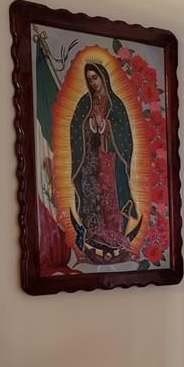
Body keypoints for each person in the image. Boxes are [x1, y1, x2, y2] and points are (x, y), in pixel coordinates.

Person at [69, 61, 139, 260]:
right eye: (89, 79)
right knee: (94, 197)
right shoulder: (85, 103)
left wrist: (107, 125)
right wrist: (89, 124)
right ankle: (95, 237)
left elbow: (125, 134)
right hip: (91, 161)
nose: (93, 83)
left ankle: (115, 238)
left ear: (103, 77)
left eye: (95, 77)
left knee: (112, 198)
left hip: (111, 160)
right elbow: (75, 128)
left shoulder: (116, 104)